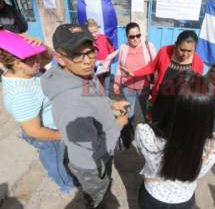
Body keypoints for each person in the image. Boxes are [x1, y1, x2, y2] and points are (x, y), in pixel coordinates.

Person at [41, 24, 129, 209]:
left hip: (101, 144)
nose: (88, 60)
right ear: (60, 59)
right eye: (77, 55)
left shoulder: (81, 73)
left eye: (91, 52)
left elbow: (92, 92)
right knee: (96, 198)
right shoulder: (72, 104)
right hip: (93, 165)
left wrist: (110, 104)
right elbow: (89, 155)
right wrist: (118, 125)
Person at [0, 32, 76, 194]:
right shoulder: (20, 93)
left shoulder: (28, 71)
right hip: (47, 135)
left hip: (53, 126)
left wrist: (41, 45)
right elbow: (34, 130)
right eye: (32, 57)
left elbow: (49, 58)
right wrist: (64, 136)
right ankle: (67, 186)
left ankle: (64, 160)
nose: (39, 59)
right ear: (17, 63)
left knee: (59, 156)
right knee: (54, 163)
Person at [135, 71, 215, 209]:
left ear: (167, 106)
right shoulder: (214, 145)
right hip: (185, 200)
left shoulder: (145, 133)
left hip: (152, 197)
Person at [121, 30, 204, 122]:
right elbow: (151, 67)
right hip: (159, 99)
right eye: (182, 49)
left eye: (189, 51)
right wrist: (134, 73)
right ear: (176, 44)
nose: (185, 54)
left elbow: (195, 87)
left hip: (180, 104)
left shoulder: (198, 62)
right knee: (155, 123)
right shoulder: (165, 51)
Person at [114, 22, 156, 125]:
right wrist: (116, 84)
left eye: (138, 35)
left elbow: (155, 67)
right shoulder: (123, 48)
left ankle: (147, 133)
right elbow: (120, 67)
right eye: (132, 37)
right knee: (129, 112)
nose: (135, 39)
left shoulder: (149, 46)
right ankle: (129, 135)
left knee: (145, 111)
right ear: (127, 36)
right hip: (128, 87)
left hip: (144, 87)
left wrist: (155, 87)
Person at [86, 18, 118, 96]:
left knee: (106, 88)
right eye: (91, 33)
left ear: (98, 29)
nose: (94, 34)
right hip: (93, 70)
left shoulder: (104, 38)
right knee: (94, 88)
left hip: (105, 70)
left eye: (95, 31)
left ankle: (106, 103)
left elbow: (112, 51)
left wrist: (107, 62)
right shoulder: (87, 41)